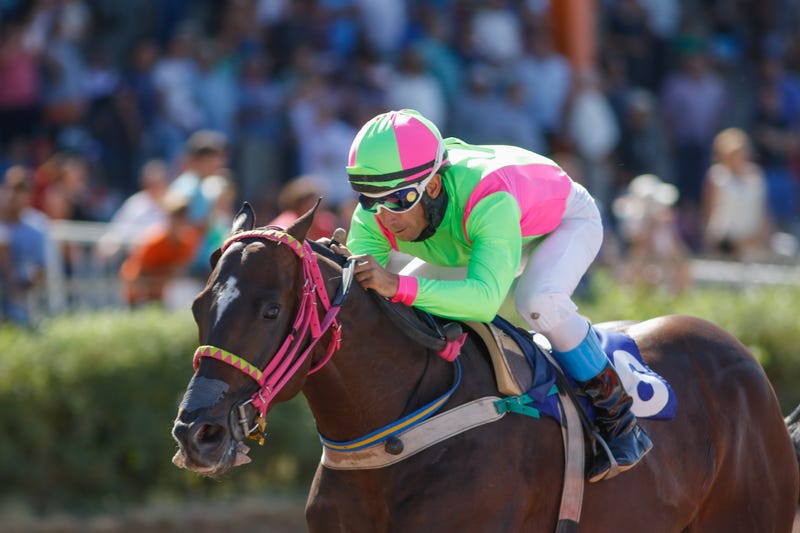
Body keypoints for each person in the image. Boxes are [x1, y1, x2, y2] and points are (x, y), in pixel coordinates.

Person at [331, 109, 652, 482]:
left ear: (432, 187)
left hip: (559, 223)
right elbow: (360, 295)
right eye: (370, 200)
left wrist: (397, 286)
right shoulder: (380, 209)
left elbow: (484, 300)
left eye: (399, 201)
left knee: (537, 302)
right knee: (396, 302)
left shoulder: (489, 195)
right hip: (473, 240)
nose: (385, 217)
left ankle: (620, 418)